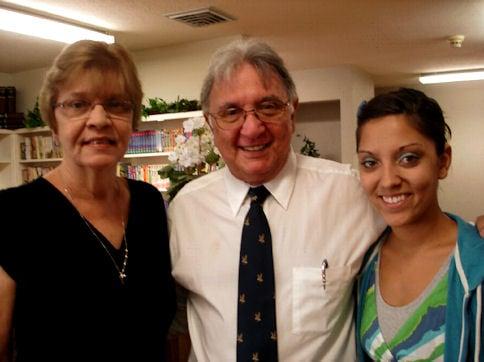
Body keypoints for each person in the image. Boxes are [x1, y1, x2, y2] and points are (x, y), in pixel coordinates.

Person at [168, 38, 386, 361]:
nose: (252, 128)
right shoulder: (184, 211)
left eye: (268, 106)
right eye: (231, 112)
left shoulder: (351, 194)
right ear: (211, 123)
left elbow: (424, 237)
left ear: (292, 111)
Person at [0, 40, 176, 362]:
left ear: (132, 119)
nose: (99, 119)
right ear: (53, 122)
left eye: (116, 103)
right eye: (78, 104)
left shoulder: (149, 203)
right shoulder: (11, 214)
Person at [355, 88, 484, 360]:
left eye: (409, 158)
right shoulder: (364, 264)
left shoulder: (476, 264)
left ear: (443, 162)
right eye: (370, 162)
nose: (388, 179)